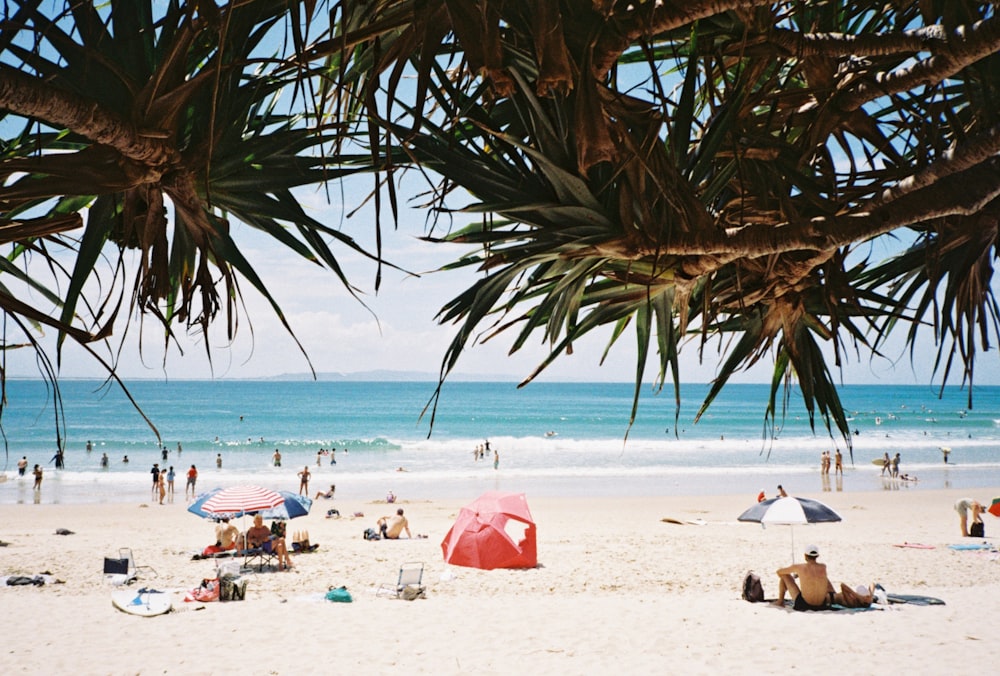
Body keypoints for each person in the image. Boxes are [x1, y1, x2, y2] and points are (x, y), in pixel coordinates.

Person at [772, 544, 836, 611]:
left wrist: (792, 577)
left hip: (804, 604)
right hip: (821, 605)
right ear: (817, 556)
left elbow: (779, 572)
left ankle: (780, 601)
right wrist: (800, 575)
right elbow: (813, 573)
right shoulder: (823, 567)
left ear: (805, 555)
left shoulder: (799, 567)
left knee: (785, 575)